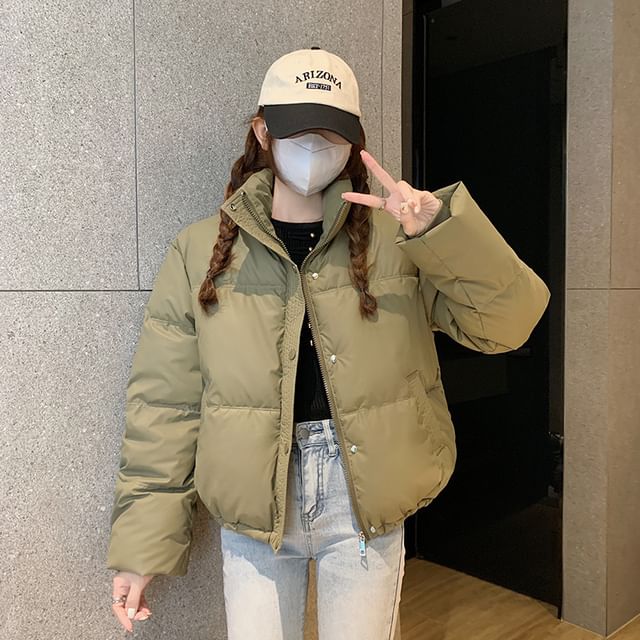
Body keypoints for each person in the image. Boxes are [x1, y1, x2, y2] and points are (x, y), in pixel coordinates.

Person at [106, 47, 551, 638]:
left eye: (331, 133)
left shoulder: (398, 242)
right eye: (298, 130)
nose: (314, 147)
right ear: (263, 132)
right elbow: (166, 404)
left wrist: (442, 232)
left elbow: (509, 324)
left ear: (353, 142)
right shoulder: (200, 251)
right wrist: (142, 547)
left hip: (365, 495)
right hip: (253, 501)